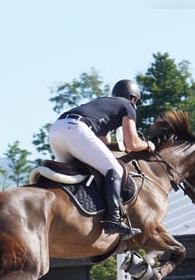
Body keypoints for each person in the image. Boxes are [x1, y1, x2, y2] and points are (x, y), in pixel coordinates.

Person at [48, 79, 154, 238]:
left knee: (74, 177)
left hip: (56, 130)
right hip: (76, 130)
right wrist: (148, 145)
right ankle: (114, 220)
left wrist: (118, 146)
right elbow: (132, 143)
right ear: (133, 98)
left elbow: (104, 143)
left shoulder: (103, 105)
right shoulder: (127, 106)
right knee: (115, 170)